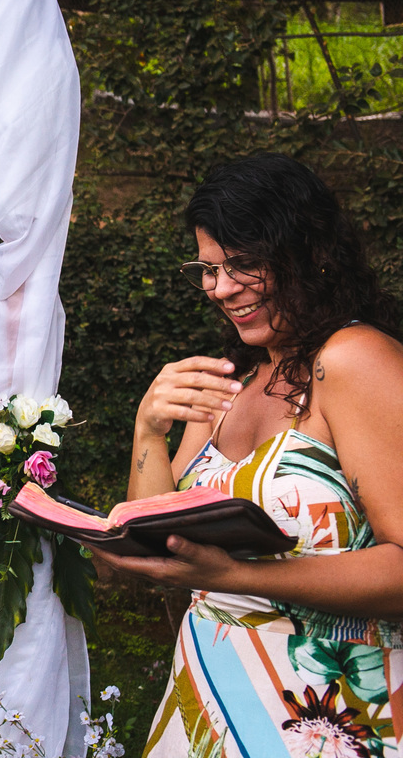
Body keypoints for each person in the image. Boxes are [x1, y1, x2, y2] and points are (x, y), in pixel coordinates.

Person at [94, 153, 403, 757]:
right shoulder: (226, 383)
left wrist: (238, 575)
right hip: (207, 699)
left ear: (311, 253)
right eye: (208, 269)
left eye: (243, 265)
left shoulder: (351, 359)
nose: (222, 288)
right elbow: (153, 543)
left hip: (328, 715)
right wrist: (148, 431)